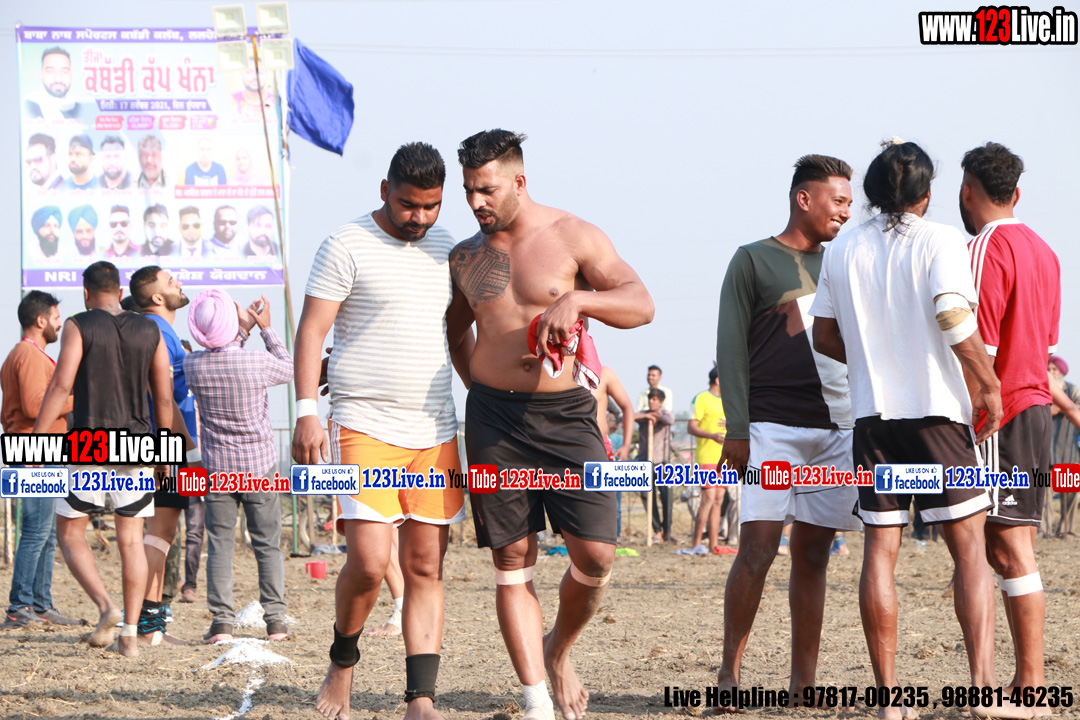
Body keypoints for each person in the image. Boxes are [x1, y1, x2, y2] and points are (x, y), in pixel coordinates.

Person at [450, 129, 653, 720]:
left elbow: (641, 303)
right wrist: (479, 386)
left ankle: (557, 651)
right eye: (468, 191)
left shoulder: (573, 235)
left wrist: (579, 301)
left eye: (486, 190)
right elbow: (454, 329)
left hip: (567, 416)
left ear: (519, 181)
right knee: (513, 556)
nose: (476, 203)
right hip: (493, 420)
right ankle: (536, 699)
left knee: (597, 555)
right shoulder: (465, 257)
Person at [810, 140, 1003, 719]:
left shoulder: (843, 247)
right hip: (937, 413)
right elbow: (952, 313)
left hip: (874, 419)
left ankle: (890, 701)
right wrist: (988, 382)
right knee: (968, 551)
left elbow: (823, 336)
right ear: (926, 193)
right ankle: (982, 690)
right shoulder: (942, 239)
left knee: (881, 549)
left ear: (870, 191)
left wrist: (874, 362)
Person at [291, 141, 474, 720]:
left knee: (425, 566)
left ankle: (421, 698)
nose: (419, 217)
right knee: (370, 562)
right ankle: (342, 661)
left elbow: (458, 335)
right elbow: (312, 330)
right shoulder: (345, 243)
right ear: (384, 191)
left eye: (431, 206)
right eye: (407, 204)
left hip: (436, 428)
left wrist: (486, 395)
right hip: (362, 423)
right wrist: (305, 410)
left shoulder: (450, 250)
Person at [714, 154, 863, 703]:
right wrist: (737, 427)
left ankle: (804, 684)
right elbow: (730, 347)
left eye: (850, 203)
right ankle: (729, 675)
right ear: (805, 198)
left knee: (815, 554)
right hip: (770, 428)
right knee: (757, 548)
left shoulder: (844, 263)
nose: (846, 212)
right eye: (838, 201)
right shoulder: (752, 259)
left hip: (837, 431)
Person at [960, 142, 1059, 705]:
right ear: (1016, 192)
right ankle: (1027, 682)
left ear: (967, 191)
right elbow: (1046, 342)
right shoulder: (1045, 250)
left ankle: (1028, 683)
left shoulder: (983, 247)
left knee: (1005, 550)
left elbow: (981, 346)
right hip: (1036, 409)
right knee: (1014, 547)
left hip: (1000, 413)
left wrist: (970, 416)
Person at [32, 261, 174, 657]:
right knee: (131, 540)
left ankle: (106, 606)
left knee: (70, 534)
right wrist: (163, 449)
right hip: (138, 445)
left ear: (86, 293)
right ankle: (129, 636)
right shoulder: (150, 329)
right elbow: (163, 397)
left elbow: (61, 384)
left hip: (90, 444)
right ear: (119, 291)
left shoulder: (78, 325)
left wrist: (38, 441)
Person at [185, 290, 291, 643]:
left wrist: (240, 331)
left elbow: (223, 351)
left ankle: (222, 624)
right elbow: (290, 368)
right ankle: (275, 622)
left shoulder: (192, 365)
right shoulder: (256, 362)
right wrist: (265, 329)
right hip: (259, 466)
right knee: (267, 544)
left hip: (218, 469)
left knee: (220, 545)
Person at [1, 292, 81, 630]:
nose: (60, 324)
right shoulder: (29, 355)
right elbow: (35, 407)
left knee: (46, 533)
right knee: (36, 531)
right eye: (56, 317)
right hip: (36, 451)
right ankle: (19, 607)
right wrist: (78, 398)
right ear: (40, 320)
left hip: (42, 450)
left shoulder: (27, 354)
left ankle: (40, 604)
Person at [129, 266, 199, 645]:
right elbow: (163, 398)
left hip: (164, 443)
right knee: (157, 534)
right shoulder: (156, 331)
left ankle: (151, 624)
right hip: (163, 445)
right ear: (156, 297)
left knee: (162, 535)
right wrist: (182, 449)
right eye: (171, 282)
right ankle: (145, 625)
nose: (179, 283)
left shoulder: (159, 330)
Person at [686, 367, 726, 555]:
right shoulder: (701, 398)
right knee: (708, 498)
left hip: (726, 458)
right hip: (707, 456)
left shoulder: (729, 400)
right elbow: (691, 427)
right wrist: (712, 436)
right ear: (718, 380)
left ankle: (713, 545)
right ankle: (696, 543)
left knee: (718, 499)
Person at [636, 389, 676, 542]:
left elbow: (669, 420)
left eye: (655, 399)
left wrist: (657, 417)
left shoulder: (666, 414)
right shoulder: (643, 415)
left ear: (661, 402)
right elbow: (626, 416)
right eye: (650, 399)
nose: (652, 402)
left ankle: (667, 531)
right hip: (645, 461)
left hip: (662, 461)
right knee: (647, 496)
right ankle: (656, 530)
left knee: (666, 496)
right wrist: (646, 416)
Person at [25, 47, 92, 121]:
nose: (58, 79)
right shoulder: (30, 106)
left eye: (64, 72)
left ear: (71, 75)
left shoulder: (79, 109)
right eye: (50, 71)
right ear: (41, 74)